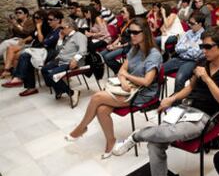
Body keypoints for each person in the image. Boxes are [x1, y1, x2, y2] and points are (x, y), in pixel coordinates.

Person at [112, 27, 219, 176]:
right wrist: (172, 98)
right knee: (155, 144)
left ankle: (136, 136)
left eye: (208, 46)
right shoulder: (202, 62)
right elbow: (189, 88)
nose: (203, 50)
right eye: (202, 46)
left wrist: (207, 79)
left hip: (206, 116)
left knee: (168, 133)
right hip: (185, 108)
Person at [65, 17, 162, 158]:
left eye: (135, 33)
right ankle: (111, 141)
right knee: (102, 109)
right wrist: (123, 79)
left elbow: (147, 82)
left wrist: (126, 77)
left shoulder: (154, 54)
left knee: (97, 97)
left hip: (141, 93)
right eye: (130, 32)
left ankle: (81, 128)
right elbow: (122, 70)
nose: (132, 36)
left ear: (145, 33)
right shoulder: (135, 49)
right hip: (128, 87)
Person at [2, 10, 61, 95]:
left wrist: (39, 29)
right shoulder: (52, 29)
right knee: (25, 56)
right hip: (43, 49)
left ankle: (20, 79)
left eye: (50, 20)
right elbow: (41, 40)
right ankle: (22, 81)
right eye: (48, 19)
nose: (48, 21)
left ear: (58, 20)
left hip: (51, 52)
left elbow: (45, 42)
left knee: (25, 55)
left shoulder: (58, 30)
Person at [41, 18, 88, 107]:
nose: (60, 30)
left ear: (69, 27)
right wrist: (60, 38)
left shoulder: (79, 36)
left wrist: (75, 59)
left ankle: (72, 93)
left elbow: (83, 50)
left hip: (70, 62)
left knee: (52, 75)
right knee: (44, 69)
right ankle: (59, 89)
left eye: (62, 28)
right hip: (61, 60)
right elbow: (58, 50)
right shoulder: (67, 36)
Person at [163, 12, 205, 92]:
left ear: (200, 24)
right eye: (189, 22)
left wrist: (185, 47)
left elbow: (196, 54)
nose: (189, 25)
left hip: (192, 61)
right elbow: (177, 48)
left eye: (192, 23)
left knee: (179, 79)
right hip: (179, 58)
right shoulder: (188, 32)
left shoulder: (204, 35)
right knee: (159, 71)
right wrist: (190, 46)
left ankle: (176, 102)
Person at [100, 4, 135, 74]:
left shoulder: (133, 24)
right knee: (101, 54)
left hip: (128, 47)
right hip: (121, 44)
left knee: (107, 57)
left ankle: (122, 71)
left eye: (123, 12)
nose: (121, 14)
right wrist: (112, 45)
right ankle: (122, 70)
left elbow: (133, 41)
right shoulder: (124, 23)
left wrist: (118, 46)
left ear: (129, 13)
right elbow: (120, 37)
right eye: (121, 12)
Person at [0, 7, 35, 74]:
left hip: (26, 42)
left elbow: (27, 32)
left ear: (26, 14)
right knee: (6, 50)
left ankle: (9, 70)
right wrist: (11, 26)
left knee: (6, 43)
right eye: (16, 13)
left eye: (20, 12)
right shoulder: (18, 22)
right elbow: (11, 34)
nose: (17, 14)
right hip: (16, 40)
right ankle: (9, 70)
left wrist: (16, 24)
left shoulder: (30, 22)